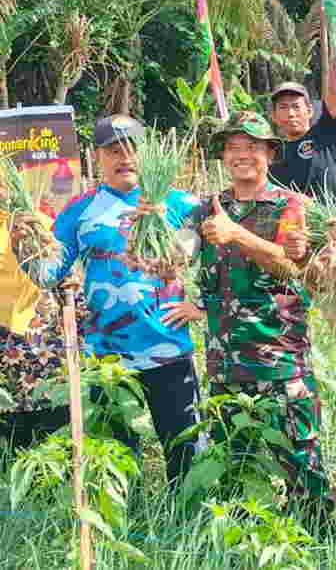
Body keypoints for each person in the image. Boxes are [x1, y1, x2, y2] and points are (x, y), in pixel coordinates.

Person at [16, 114, 203, 487]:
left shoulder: (180, 202)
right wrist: (25, 243)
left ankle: (188, 520)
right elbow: (48, 275)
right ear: (96, 157)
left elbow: (210, 258)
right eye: (113, 150)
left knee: (185, 448)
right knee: (116, 455)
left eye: (132, 148)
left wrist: (203, 308)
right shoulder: (79, 211)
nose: (124, 157)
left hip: (168, 345)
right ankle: (123, 527)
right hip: (107, 356)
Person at [189, 111, 331, 511]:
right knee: (236, 472)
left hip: (281, 364)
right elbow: (173, 258)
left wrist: (238, 235)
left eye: (252, 147)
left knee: (302, 467)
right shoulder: (205, 211)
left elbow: (294, 269)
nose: (241, 155)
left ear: (270, 153)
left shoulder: (292, 207)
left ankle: (317, 543)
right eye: (233, 147)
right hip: (226, 368)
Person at [0, 203, 77, 451]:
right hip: (8, 351)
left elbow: (68, 282)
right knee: (11, 435)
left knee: (52, 431)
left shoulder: (39, 223)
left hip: (42, 346)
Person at [268, 71, 336, 203]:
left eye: (296, 106)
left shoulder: (325, 133)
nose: (290, 113)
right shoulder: (271, 155)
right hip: (290, 223)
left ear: (309, 111)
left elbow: (334, 93)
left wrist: (335, 60)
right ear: (274, 116)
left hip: (331, 221)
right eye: (283, 107)